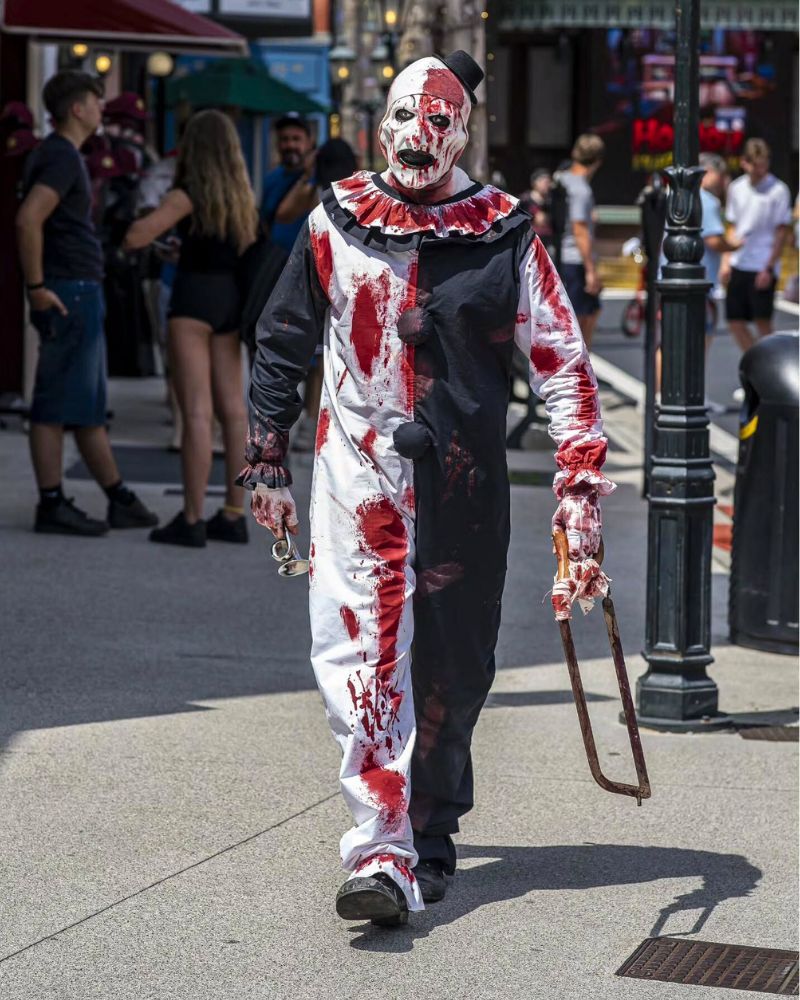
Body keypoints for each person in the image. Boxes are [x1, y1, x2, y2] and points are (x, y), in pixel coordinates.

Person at [238, 51, 614, 926]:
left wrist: (580, 490)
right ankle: (380, 850)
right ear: (381, 126)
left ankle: (431, 831)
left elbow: (563, 363)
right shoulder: (335, 219)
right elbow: (283, 341)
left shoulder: (505, 231)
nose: (416, 137)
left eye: (436, 122)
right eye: (403, 118)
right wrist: (268, 461)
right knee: (362, 661)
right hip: (357, 481)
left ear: (462, 135)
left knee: (455, 666)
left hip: (464, 495)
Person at [16, 70, 157, 537]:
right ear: (77, 109)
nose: (101, 110)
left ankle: (119, 498)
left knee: (84, 405)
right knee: (55, 404)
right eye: (95, 102)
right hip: (68, 289)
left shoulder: (60, 154)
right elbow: (28, 219)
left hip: (76, 287)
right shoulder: (60, 155)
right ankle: (53, 502)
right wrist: (36, 286)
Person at [123, 109, 256, 547]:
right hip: (230, 302)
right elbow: (234, 250)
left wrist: (148, 228)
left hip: (193, 301)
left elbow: (136, 236)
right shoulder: (241, 197)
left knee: (196, 412)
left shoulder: (187, 194)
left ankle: (192, 517)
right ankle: (234, 514)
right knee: (233, 411)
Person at [722, 138, 792, 353]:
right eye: (757, 165)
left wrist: (768, 268)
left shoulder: (778, 190)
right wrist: (726, 261)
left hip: (762, 264)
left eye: (764, 164)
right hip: (739, 261)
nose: (761, 170)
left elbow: (781, 232)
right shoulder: (736, 188)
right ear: (745, 163)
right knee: (735, 321)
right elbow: (733, 226)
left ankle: (773, 363)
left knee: (762, 322)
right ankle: (755, 362)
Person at [557, 134, 605, 349]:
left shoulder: (562, 178)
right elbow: (580, 230)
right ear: (598, 161)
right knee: (582, 316)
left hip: (560, 254)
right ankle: (581, 363)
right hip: (575, 259)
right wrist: (591, 270)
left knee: (582, 313)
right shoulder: (581, 190)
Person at [260, 112, 317, 254]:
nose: (290, 145)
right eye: (284, 139)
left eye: (296, 139)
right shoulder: (270, 180)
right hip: (275, 261)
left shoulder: (318, 180)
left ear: (309, 143)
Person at [520, 167, 553, 241]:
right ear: (535, 183)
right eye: (544, 182)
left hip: (548, 240)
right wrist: (533, 218)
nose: (547, 185)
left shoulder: (551, 200)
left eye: (548, 182)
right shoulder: (525, 200)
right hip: (530, 240)